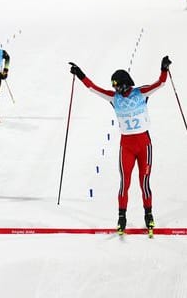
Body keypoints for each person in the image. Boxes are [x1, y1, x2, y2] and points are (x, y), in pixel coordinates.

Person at [69, 56, 171, 235]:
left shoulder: (141, 93)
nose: (114, 88)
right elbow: (93, 88)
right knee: (125, 183)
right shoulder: (113, 98)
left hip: (144, 145)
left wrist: (164, 68)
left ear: (124, 84)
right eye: (113, 85)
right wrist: (80, 74)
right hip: (127, 147)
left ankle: (148, 214)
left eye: (117, 85)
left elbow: (160, 84)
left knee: (144, 183)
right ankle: (121, 216)